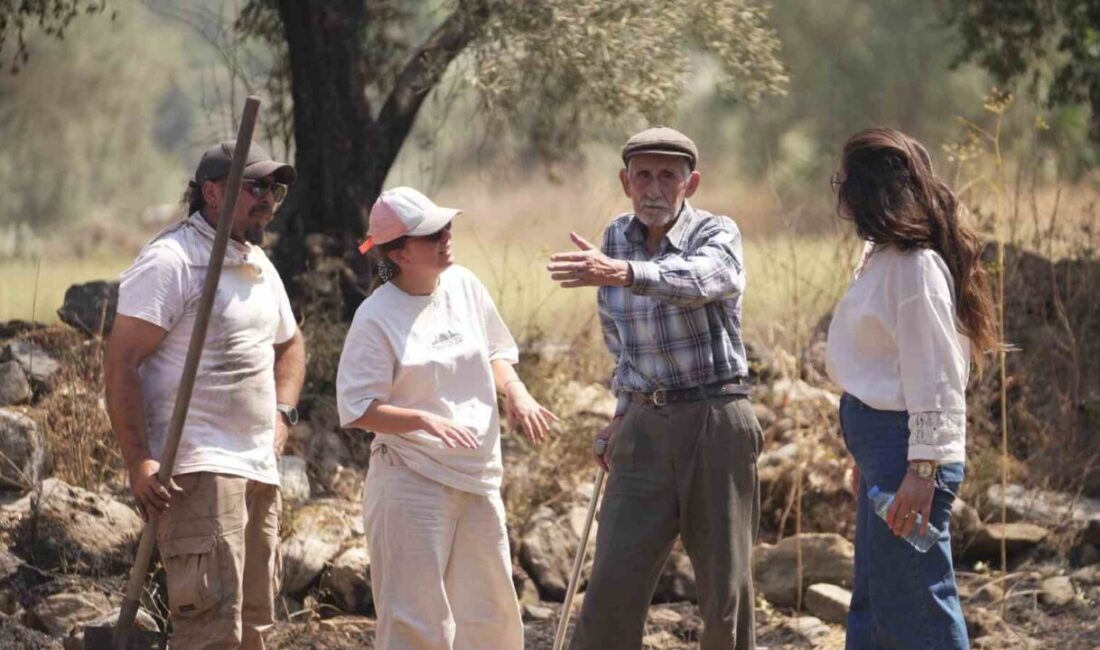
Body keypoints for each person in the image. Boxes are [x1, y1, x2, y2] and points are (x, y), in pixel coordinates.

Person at [548, 126, 762, 650]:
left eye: (668, 175)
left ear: (691, 182)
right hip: (643, 423)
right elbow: (620, 345)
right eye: (643, 175)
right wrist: (620, 416)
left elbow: (703, 281)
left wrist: (622, 273)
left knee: (723, 592)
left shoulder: (716, 232)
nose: (654, 188)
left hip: (715, 418)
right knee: (611, 585)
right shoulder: (615, 238)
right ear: (625, 181)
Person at [336, 186, 557, 650]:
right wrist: (423, 420)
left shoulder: (465, 285)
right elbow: (358, 409)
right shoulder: (375, 316)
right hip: (410, 482)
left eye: (446, 227)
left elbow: (496, 349)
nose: (445, 237)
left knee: (492, 615)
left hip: (477, 478)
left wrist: (515, 390)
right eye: (430, 234)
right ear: (398, 252)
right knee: (418, 623)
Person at [104, 141, 306, 649]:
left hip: (258, 467)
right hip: (196, 467)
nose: (268, 199)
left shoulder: (258, 262)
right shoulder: (171, 260)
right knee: (210, 632)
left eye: (275, 189)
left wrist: (283, 416)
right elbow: (121, 363)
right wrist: (138, 462)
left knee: (256, 628)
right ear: (212, 192)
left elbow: (291, 344)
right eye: (255, 186)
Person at [825, 127, 999, 649]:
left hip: (908, 453)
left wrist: (921, 470)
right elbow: (888, 371)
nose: (840, 190)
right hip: (887, 447)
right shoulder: (883, 257)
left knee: (917, 607)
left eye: (845, 179)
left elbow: (936, 377)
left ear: (866, 189)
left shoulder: (914, 267)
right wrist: (869, 455)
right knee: (877, 601)